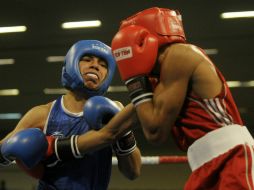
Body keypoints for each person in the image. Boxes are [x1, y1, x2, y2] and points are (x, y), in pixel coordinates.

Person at [111, 7, 254, 190]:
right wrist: (65, 146)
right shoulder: (160, 86)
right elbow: (109, 132)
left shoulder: (180, 55)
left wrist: (133, 80)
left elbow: (154, 131)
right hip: (204, 165)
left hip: (233, 157)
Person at [0, 40, 142, 190]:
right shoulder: (42, 114)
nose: (95, 65)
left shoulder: (115, 109)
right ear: (71, 64)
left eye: (103, 64)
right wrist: (7, 152)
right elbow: (5, 147)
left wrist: (123, 135)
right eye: (87, 59)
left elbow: (133, 172)